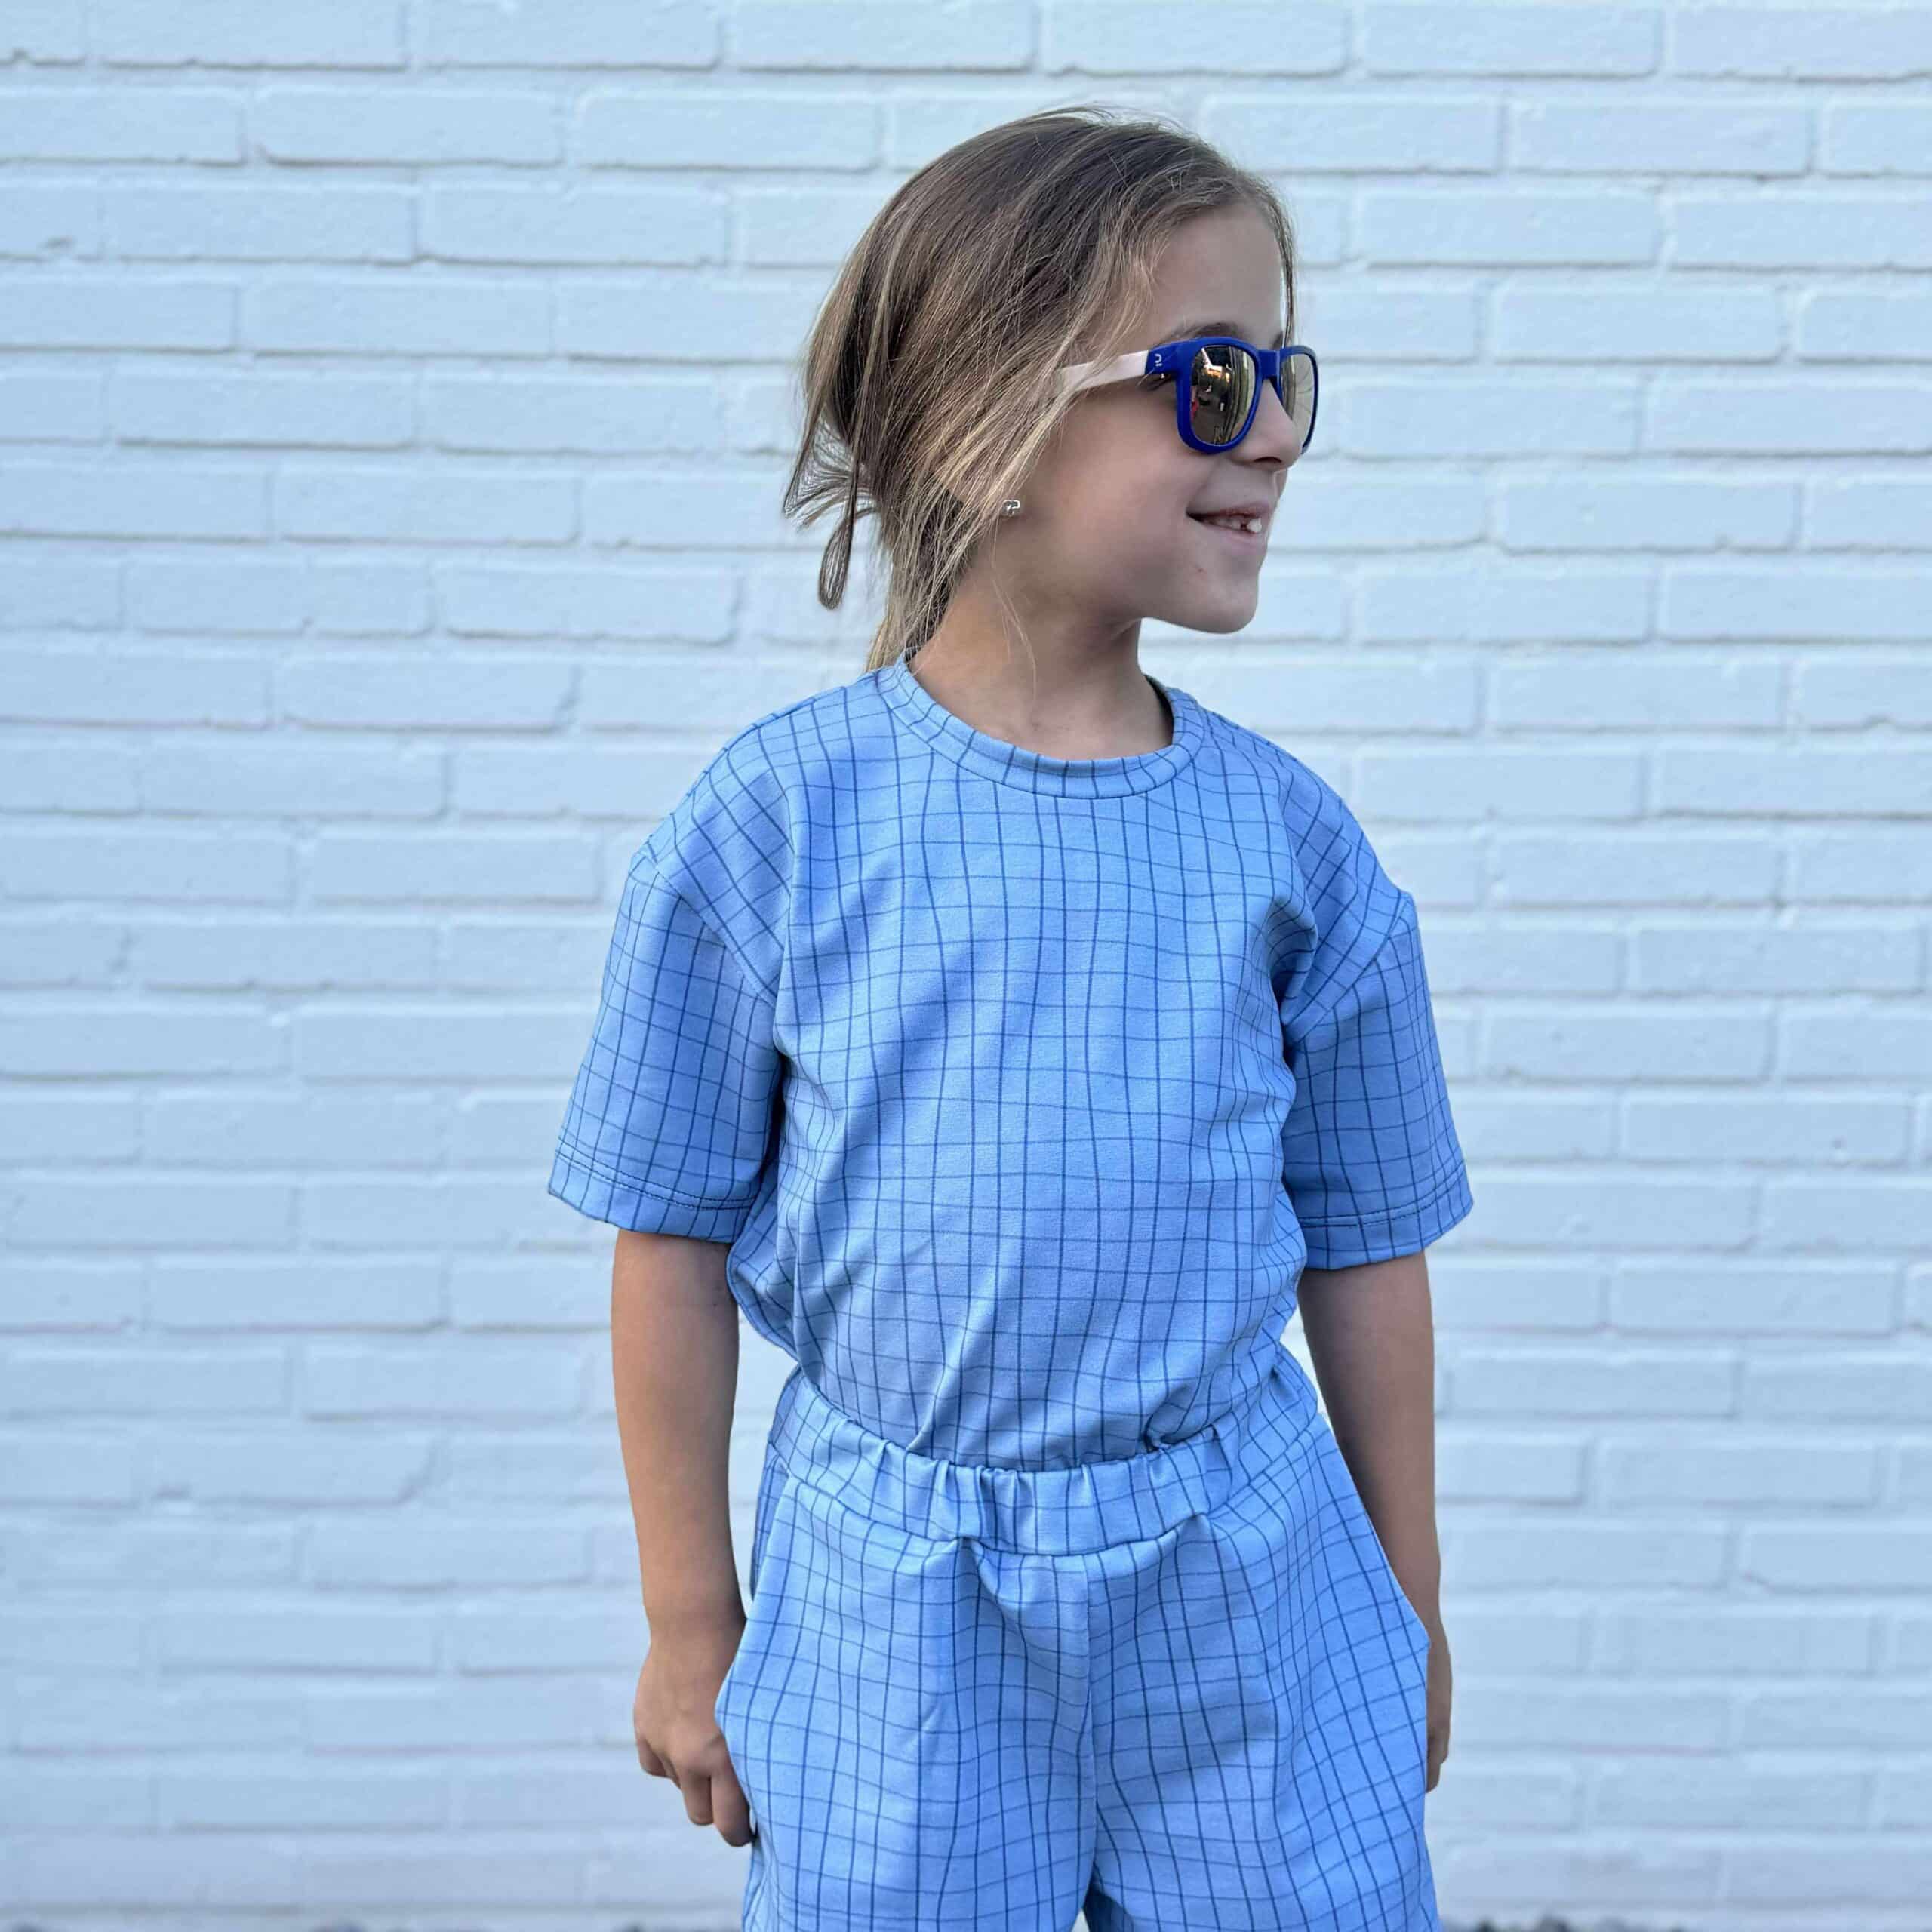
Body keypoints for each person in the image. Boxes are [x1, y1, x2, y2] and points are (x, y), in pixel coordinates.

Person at [547, 103, 1475, 1932]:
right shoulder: (776, 830)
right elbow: (667, 1232)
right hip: (895, 1602)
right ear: (990, 416)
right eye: (1210, 379)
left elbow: (1366, 1242)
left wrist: (1407, 1595)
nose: (1273, 430)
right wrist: (688, 1616)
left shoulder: (1290, 850)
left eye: (1285, 374)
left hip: (1246, 1579)